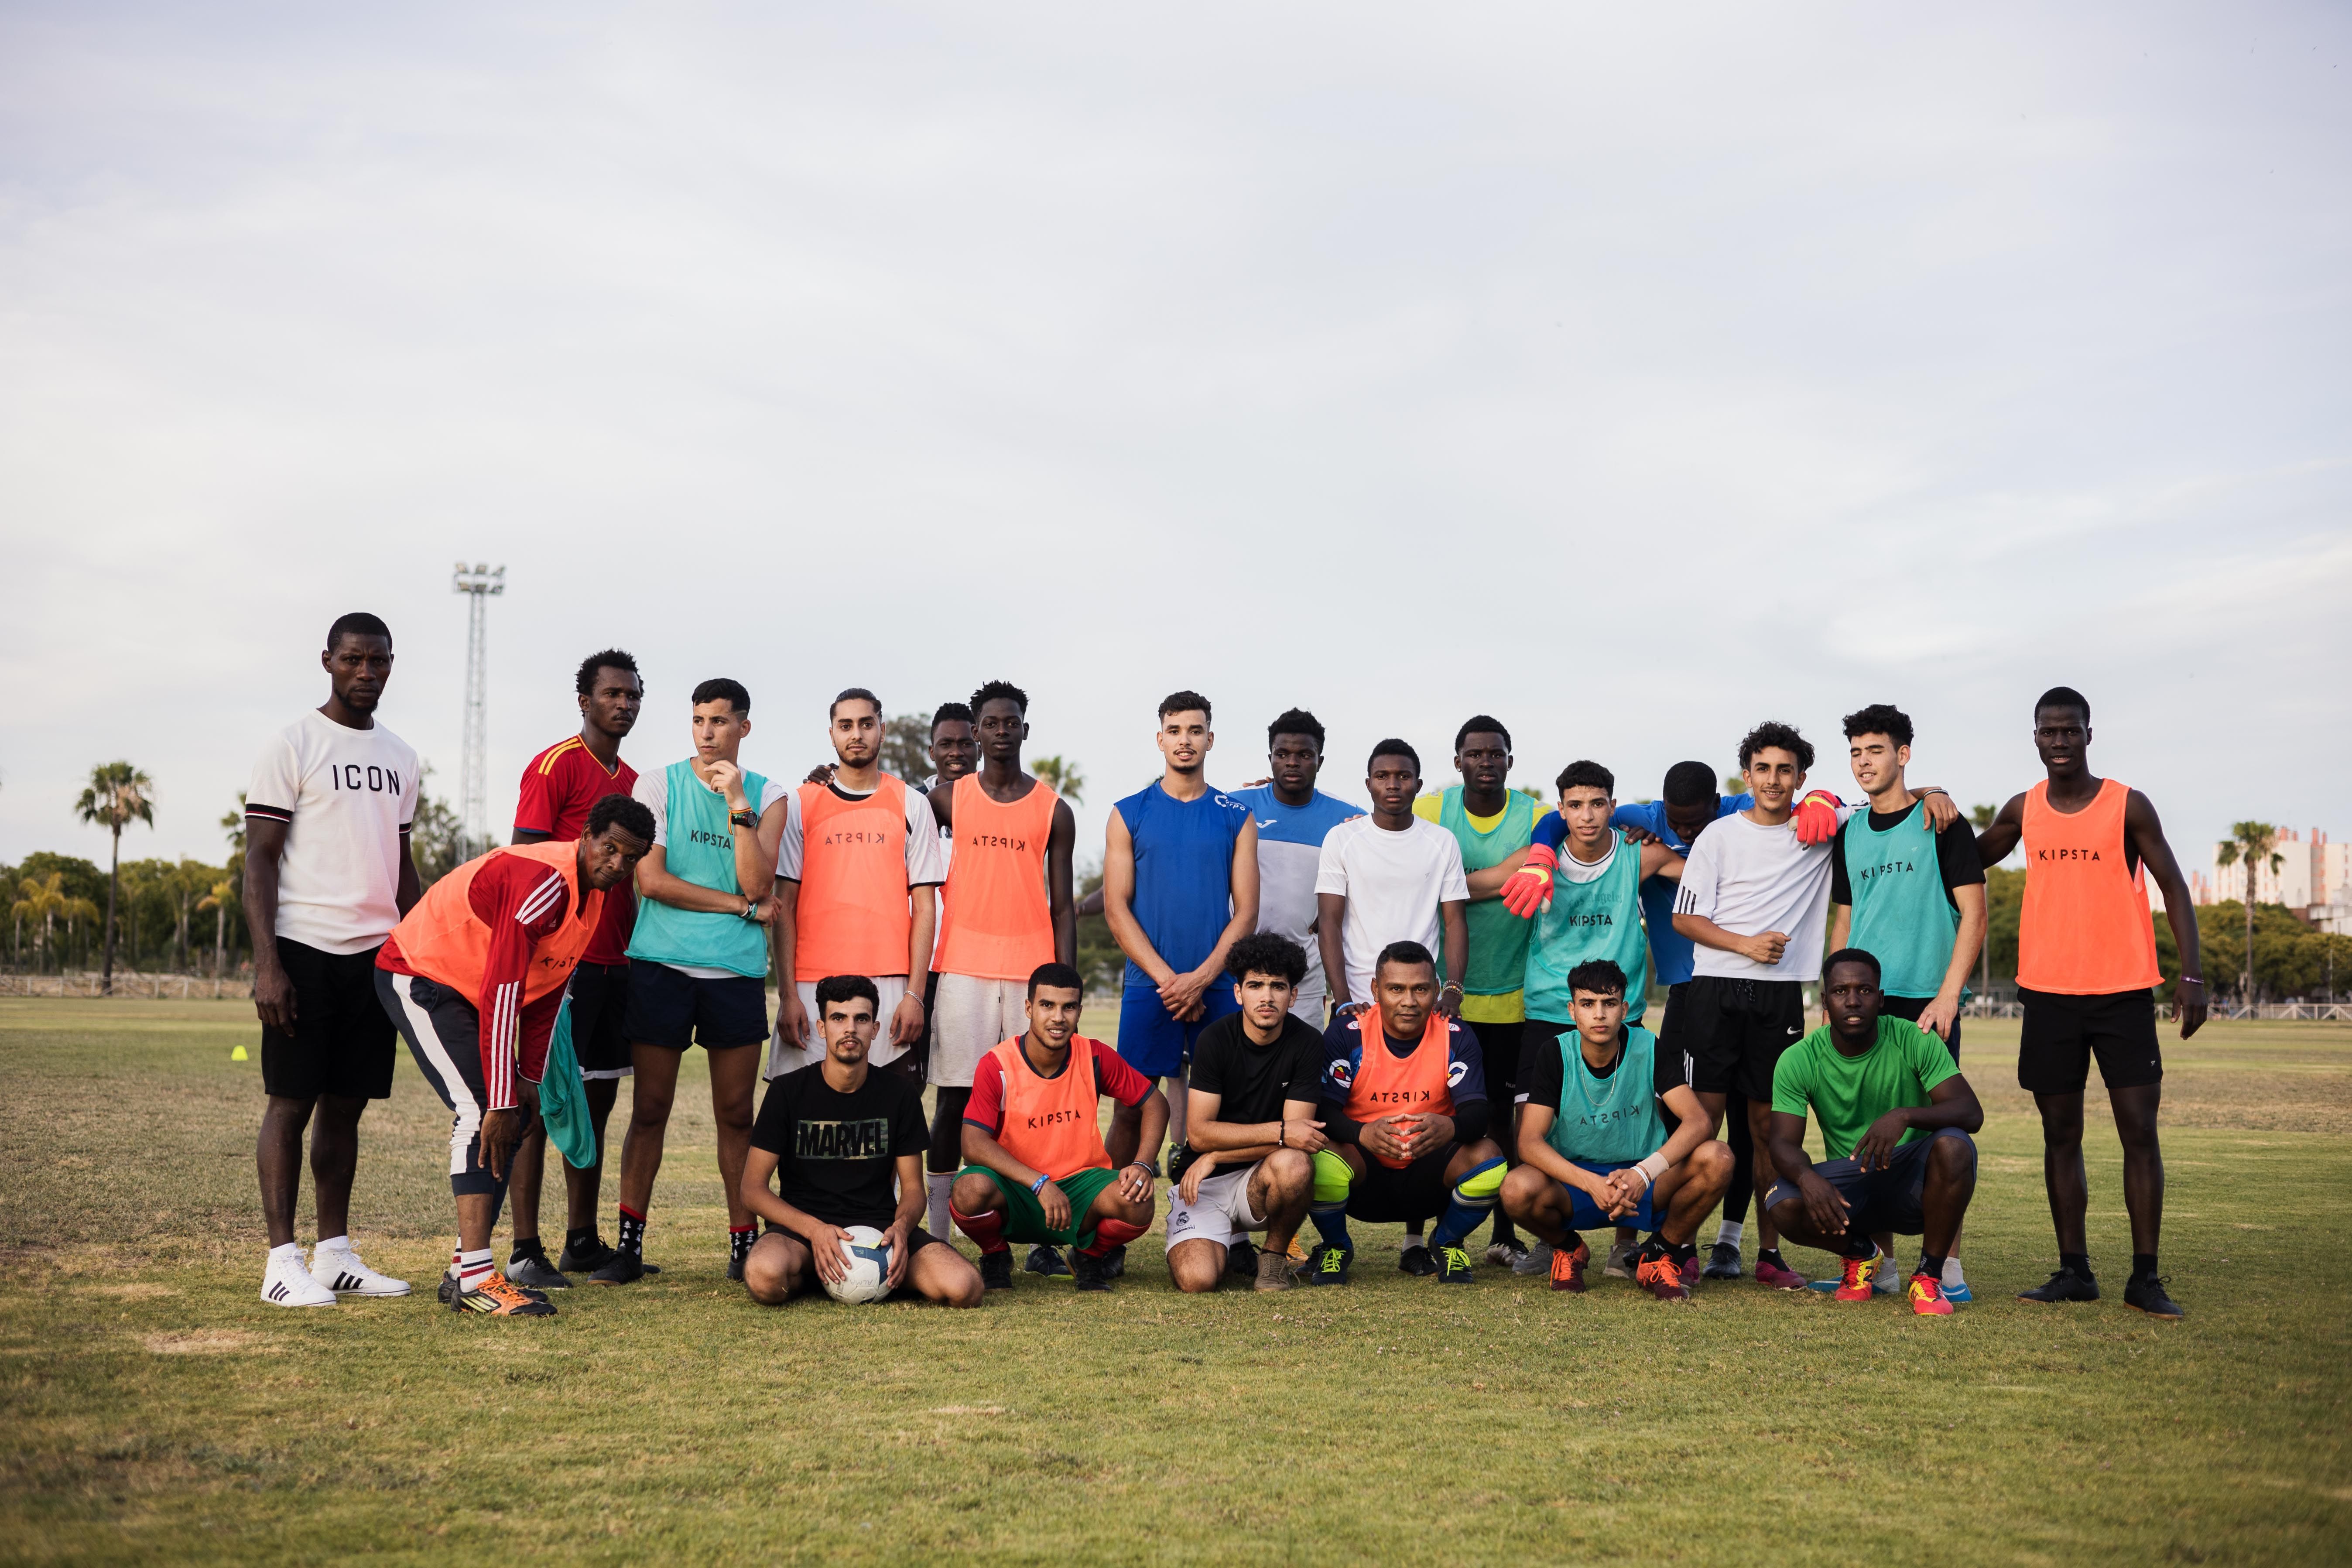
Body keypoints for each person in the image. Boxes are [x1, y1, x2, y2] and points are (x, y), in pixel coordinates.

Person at [1971, 686, 2207, 1320]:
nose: (2059, 741)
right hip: (2048, 995)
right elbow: (1964, 857)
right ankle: (2074, 1270)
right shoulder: (2023, 809)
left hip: (2122, 992)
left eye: (2069, 730)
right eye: (2048, 732)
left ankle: (2145, 1277)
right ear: (2034, 737)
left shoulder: (2127, 805)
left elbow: (2174, 887)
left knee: (2139, 1133)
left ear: (2088, 734)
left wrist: (2191, 975)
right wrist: (1925, 801)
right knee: (2060, 1134)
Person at [375, 794, 655, 1315]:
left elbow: (547, 990)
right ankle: (478, 1280)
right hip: (421, 973)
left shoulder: (593, 896)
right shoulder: (547, 881)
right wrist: (504, 1096)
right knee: (485, 1108)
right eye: (610, 849)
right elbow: (505, 989)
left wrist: (528, 1077)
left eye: (631, 858)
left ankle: (464, 1269)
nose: (619, 864)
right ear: (587, 837)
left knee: (517, 1113)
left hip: (467, 989)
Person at [243, 611, 421, 1308]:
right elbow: (260, 859)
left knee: (347, 1104)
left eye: (378, 660)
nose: (366, 672)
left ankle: (335, 1254)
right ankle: (280, 1261)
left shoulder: (401, 755)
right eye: (353, 659)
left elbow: (401, 864)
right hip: (303, 948)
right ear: (328, 661)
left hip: (374, 955)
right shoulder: (293, 743)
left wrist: (419, 945)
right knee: (290, 1103)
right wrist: (268, 964)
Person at [599, 677, 787, 1287]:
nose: (708, 733)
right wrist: (738, 908)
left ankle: (743, 1244)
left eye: (720, 721)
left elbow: (758, 883)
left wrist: (737, 801)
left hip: (734, 973)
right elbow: (652, 882)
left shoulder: (769, 795)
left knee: (736, 1113)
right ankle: (628, 1246)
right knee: (650, 1108)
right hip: (662, 965)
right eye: (699, 720)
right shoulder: (657, 784)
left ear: (744, 728)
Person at [1668, 720, 1855, 1291]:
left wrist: (1934, 792)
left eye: (1785, 770)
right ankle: (1682, 1246)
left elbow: (1889, 799)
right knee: (1703, 1124)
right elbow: (1684, 918)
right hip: (1715, 988)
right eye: (1763, 768)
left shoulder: (1822, 827)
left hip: (1780, 997)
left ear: (1801, 777)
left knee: (1770, 1129)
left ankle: (1768, 1253)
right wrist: (1744, 944)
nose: (1773, 779)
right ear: (1746, 776)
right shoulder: (1718, 835)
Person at [1498, 761, 1688, 1276]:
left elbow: (1708, 869)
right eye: (1576, 805)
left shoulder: (1637, 854)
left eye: (1598, 804)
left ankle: (1626, 1244)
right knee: (1531, 1132)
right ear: (1560, 810)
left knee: (1634, 1125)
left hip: (1619, 1012)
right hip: (1549, 1010)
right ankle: (1552, 1240)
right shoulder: (1538, 859)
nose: (1587, 815)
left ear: (1613, 806)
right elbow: (1471, 885)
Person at [1824, 703, 1986, 1301]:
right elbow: (1845, 920)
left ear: (1903, 754)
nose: (1864, 762)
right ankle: (1882, 1266)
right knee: (1867, 1130)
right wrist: (1830, 997)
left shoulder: (1940, 821)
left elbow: (1974, 914)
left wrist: (1948, 995)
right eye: (1855, 752)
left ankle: (1947, 1270)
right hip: (1861, 1005)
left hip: (1925, 1003)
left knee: (1944, 1133)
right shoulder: (1849, 832)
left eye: (1875, 750)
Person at [500, 649, 644, 1291]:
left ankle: (581, 1240)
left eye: (633, 695)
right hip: (562, 965)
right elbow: (523, 863)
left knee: (597, 1101)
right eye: (612, 693)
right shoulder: (554, 765)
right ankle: (524, 1248)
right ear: (584, 701)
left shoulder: (635, 780)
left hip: (617, 964)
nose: (624, 704)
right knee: (538, 1103)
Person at [925, 681, 1078, 1268]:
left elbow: (1063, 907)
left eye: (1010, 722)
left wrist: (1063, 983)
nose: (1001, 732)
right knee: (955, 1100)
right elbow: (889, 816)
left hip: (1028, 975)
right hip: (962, 969)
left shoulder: (1053, 809)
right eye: (990, 723)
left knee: (1034, 1102)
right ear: (977, 731)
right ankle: (939, 1238)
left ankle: (1043, 1239)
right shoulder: (946, 799)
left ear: (1024, 730)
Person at [1762, 949, 1983, 1317]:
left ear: (1880, 999)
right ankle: (1863, 1255)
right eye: (1840, 991)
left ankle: (1928, 1276)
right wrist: (1805, 1178)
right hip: (1853, 1190)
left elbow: (1970, 1112)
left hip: (1915, 1184)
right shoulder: (1799, 1058)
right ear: (1825, 1001)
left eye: (1864, 991)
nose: (1852, 1001)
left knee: (1955, 1145)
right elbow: (1782, 1142)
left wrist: (1903, 1116)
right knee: (1781, 1202)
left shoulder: (1913, 1038)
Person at [739, 975, 983, 1309]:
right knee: (765, 1277)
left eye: (861, 1019)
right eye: (838, 1018)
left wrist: (901, 1228)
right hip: (802, 1232)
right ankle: (819, 1270)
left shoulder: (899, 1094)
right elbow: (752, 1189)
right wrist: (814, 1230)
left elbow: (913, 1189)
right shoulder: (787, 1092)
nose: (850, 1029)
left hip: (880, 1231)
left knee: (964, 1287)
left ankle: (875, 1273)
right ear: (822, 1028)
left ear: (875, 1029)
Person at [1499, 959, 1735, 1301]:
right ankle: (1569, 1249)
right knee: (1515, 1188)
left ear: (1623, 1009)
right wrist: (1590, 1183)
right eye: (1587, 1004)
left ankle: (1657, 1256)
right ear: (1572, 1011)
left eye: (1609, 1003)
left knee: (1718, 1158)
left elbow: (1698, 1121)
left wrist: (1642, 1173)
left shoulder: (1647, 1046)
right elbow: (1529, 1142)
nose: (1599, 1014)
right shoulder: (1555, 1053)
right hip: (1577, 1184)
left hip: (1643, 1179)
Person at [1103, 691, 1258, 1174]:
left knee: (1228, 1109)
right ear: (1160, 740)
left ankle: (1224, 1216)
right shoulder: (1128, 812)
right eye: (1174, 731)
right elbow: (1116, 909)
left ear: (1210, 739)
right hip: (1150, 986)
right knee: (1131, 1106)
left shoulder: (1236, 816)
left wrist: (1201, 978)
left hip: (1218, 986)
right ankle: (1104, 1215)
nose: (1184, 740)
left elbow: (1247, 912)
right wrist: (1171, 982)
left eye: (1194, 730)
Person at [1411, 717, 1545, 1267]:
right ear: (1458, 761)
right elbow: (1377, 828)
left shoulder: (1536, 816)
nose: (1485, 762)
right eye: (1475, 754)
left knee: (1505, 1121)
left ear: (1510, 760)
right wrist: (1499, 875)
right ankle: (1420, 1235)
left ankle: (1505, 1234)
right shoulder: (1431, 810)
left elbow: (1583, 832)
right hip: (1444, 998)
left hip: (1515, 995)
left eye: (1495, 754)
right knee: (1433, 1112)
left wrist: (1454, 886)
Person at [950, 963, 1166, 1293]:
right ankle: (995, 1255)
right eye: (1047, 1005)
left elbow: (1156, 1104)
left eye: (1068, 1007)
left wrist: (1143, 1164)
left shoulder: (1094, 1056)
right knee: (968, 1189)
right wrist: (1039, 1183)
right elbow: (973, 1144)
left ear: (1080, 1011)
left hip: (1080, 1188)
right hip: (1017, 1189)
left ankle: (1087, 1257)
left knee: (1138, 1201)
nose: (1058, 1018)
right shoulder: (997, 1065)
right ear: (1028, 1008)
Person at [766, 688, 945, 1083]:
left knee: (888, 1108)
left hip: (891, 981)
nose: (857, 734)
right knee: (807, 1106)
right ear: (831, 734)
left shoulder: (912, 804)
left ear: (882, 729)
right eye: (845, 726)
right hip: (812, 981)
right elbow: (784, 906)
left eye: (866, 724)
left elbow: (925, 907)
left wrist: (915, 995)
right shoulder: (799, 803)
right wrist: (788, 995)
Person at [1301, 941, 1505, 1285]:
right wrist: (1362, 1133)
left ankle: (1447, 1241)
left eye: (1420, 989)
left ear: (1436, 990)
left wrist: (1450, 1127)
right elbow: (1322, 1112)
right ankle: (1335, 1246)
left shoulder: (1455, 1035)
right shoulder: (1347, 1033)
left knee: (1488, 1158)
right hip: (1364, 1176)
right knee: (1316, 1156)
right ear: (1375, 990)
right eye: (1396, 989)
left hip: (1429, 1176)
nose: (1408, 1001)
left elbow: (1477, 1114)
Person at [1164, 933, 1325, 1293]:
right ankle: (1217, 1239)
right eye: (1255, 986)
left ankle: (1273, 1258)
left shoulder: (1307, 1042)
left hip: (1260, 1177)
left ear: (1293, 996)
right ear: (1238, 993)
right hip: (1203, 1183)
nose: (1266, 997)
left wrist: (1217, 1154)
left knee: (1295, 1163)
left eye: (1277, 986)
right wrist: (1279, 1132)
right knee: (1198, 1280)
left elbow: (1298, 1138)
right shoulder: (1214, 1039)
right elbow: (1199, 1134)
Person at [1229, 709, 1363, 1026]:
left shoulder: (1349, 818)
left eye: (1304, 755)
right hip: (1237, 966)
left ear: (1320, 761)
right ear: (1270, 758)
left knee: (1303, 1052)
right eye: (1282, 754)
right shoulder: (1234, 805)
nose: (1292, 762)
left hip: (1306, 969)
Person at [914, 702, 977, 1235]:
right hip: (916, 967)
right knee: (904, 1091)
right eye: (946, 744)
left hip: (972, 967)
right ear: (931, 750)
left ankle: (942, 1231)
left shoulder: (998, 805)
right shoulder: (910, 805)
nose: (956, 753)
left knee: (960, 1096)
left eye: (964, 743)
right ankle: (894, 1213)